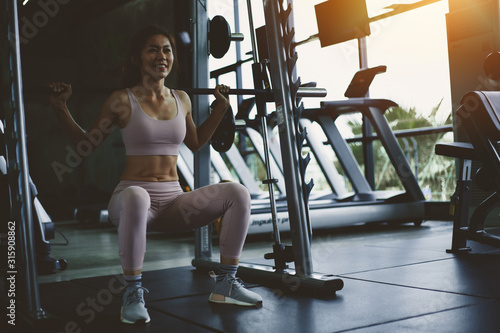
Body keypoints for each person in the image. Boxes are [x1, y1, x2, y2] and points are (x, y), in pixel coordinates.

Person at [48, 25, 262, 325]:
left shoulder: (182, 98)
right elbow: (86, 145)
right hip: (131, 200)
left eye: (167, 50)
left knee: (237, 192)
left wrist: (221, 108)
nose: (161, 56)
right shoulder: (121, 100)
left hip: (174, 203)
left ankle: (225, 284)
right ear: (136, 58)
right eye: (153, 49)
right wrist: (60, 108)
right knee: (137, 195)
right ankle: (133, 292)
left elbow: (197, 142)